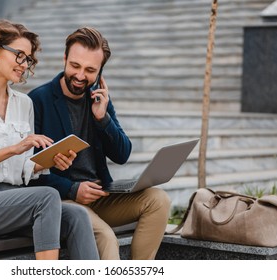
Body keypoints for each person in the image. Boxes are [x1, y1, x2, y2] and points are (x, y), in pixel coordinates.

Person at [0, 20, 99, 260]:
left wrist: (49, 161)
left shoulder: (24, 104)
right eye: (19, 55)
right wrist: (14, 148)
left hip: (10, 201)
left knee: (76, 216)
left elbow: (24, 168)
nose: (24, 65)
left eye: (28, 59)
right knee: (47, 196)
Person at [28, 27, 171, 260]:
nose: (81, 75)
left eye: (90, 70)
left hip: (101, 195)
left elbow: (123, 154)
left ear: (100, 72)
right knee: (106, 236)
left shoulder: (99, 99)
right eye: (75, 66)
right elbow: (29, 171)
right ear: (64, 59)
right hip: (63, 201)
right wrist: (72, 189)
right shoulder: (38, 100)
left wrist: (102, 118)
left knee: (158, 200)